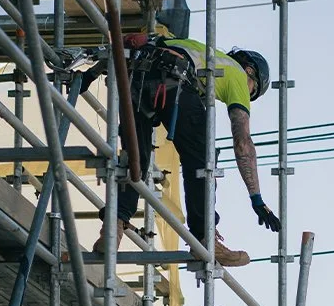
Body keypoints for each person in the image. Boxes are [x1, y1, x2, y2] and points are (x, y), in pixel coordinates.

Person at [90, 37, 281, 267]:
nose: (247, 94)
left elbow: (132, 44)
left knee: (135, 159)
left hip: (135, 78)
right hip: (174, 81)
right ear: (250, 71)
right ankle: (205, 239)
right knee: (202, 162)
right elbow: (243, 142)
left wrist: (90, 75)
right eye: (252, 91)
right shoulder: (237, 74)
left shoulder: (193, 47)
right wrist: (256, 199)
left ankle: (113, 230)